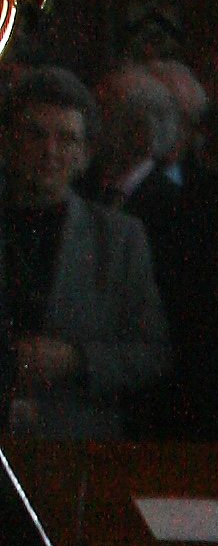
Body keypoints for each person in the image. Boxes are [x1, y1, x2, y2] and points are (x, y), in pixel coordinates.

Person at [0, 63, 169, 441]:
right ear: (8, 140)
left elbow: (153, 353)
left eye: (66, 139)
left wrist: (76, 360)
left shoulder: (119, 238)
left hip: (78, 441)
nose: (50, 151)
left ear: (84, 154)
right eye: (36, 135)